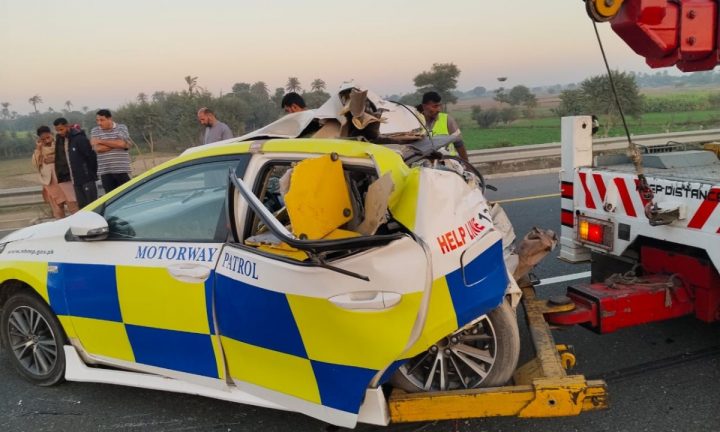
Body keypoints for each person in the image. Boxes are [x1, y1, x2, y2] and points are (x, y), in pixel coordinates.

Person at [32, 125, 78, 218]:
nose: (47, 141)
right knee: (57, 208)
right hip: (50, 182)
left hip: (63, 179)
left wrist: (54, 159)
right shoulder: (39, 149)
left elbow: (67, 156)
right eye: (43, 139)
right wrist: (38, 148)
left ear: (51, 134)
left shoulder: (60, 144)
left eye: (48, 137)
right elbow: (36, 164)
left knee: (72, 204)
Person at [53, 118, 98, 209]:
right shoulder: (62, 140)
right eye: (57, 130)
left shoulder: (79, 138)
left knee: (92, 206)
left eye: (61, 129)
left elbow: (91, 157)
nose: (60, 132)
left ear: (67, 126)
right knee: (82, 207)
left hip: (87, 178)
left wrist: (89, 173)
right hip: (75, 179)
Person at [420, 91, 470, 161]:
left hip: (449, 163)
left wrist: (467, 164)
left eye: (439, 106)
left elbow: (459, 144)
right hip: (424, 165)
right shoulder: (415, 123)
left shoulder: (447, 120)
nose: (439, 109)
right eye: (435, 106)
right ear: (424, 106)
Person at [90, 109, 132, 193]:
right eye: (97, 120)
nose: (99, 123)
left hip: (122, 170)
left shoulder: (121, 128)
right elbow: (98, 148)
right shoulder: (95, 130)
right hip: (105, 172)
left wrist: (100, 141)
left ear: (110, 119)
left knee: (127, 195)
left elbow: (122, 144)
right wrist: (117, 144)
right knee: (112, 198)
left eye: (102, 120)